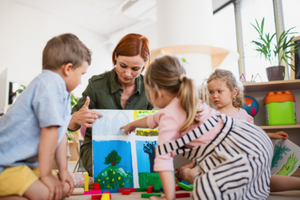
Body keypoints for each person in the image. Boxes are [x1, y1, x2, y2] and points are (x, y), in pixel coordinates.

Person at [121, 56, 273, 200]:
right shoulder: (188, 101)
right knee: (249, 178)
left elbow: (163, 160)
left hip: (238, 151)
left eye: (148, 91)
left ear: (157, 91)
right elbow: (153, 119)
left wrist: (168, 197)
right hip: (256, 139)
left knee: (202, 188)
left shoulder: (168, 117)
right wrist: (133, 124)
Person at [177, 69, 300, 193]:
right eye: (211, 92)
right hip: (216, 164)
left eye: (219, 91)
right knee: (193, 175)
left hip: (241, 162)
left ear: (233, 92)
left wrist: (272, 135)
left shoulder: (243, 115)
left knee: (264, 180)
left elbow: (254, 135)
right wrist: (192, 164)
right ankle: (182, 173)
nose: (214, 95)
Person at [0, 33, 91, 200]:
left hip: (24, 165)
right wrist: (47, 174)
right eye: (82, 74)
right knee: (46, 193)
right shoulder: (51, 84)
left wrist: (63, 171)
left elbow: (60, 133)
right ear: (68, 68)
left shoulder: (63, 92)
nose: (80, 82)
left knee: (62, 189)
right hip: (6, 163)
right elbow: (49, 132)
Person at [68, 33, 153, 176]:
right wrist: (75, 119)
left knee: (138, 178)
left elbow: (154, 126)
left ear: (144, 66)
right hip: (97, 146)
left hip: (135, 146)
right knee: (107, 177)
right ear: (115, 57)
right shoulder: (97, 85)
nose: (127, 73)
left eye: (135, 69)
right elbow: (71, 126)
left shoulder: (150, 88)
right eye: (123, 65)